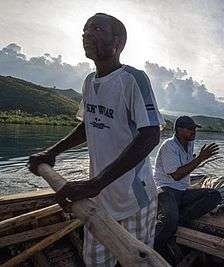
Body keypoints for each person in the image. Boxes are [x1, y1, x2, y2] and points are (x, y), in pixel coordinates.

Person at [28, 13, 164, 266]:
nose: (87, 33)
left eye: (97, 28)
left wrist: (96, 183)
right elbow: (86, 125)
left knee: (139, 260)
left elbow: (150, 135)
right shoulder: (89, 82)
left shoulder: (132, 79)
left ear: (118, 42)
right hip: (101, 196)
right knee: (95, 262)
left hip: (135, 198)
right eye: (85, 29)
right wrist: (52, 152)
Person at [153, 116, 222, 264]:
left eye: (195, 128)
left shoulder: (189, 144)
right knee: (169, 220)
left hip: (182, 192)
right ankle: (153, 249)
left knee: (214, 195)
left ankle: (179, 218)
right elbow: (177, 175)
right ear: (179, 130)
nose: (194, 131)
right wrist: (200, 158)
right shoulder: (168, 146)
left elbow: (187, 167)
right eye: (190, 129)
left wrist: (197, 158)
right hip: (165, 189)